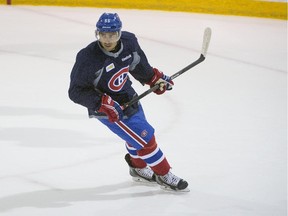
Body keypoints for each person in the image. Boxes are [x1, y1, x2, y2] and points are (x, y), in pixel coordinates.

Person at [68, 12, 188, 191]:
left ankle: (138, 169)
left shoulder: (129, 42)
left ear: (119, 32)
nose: (107, 39)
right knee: (146, 138)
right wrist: (102, 102)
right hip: (109, 110)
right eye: (103, 34)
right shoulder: (88, 57)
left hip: (128, 96)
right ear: (97, 33)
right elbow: (76, 91)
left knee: (135, 138)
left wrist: (155, 79)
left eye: (112, 35)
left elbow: (139, 66)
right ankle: (164, 175)